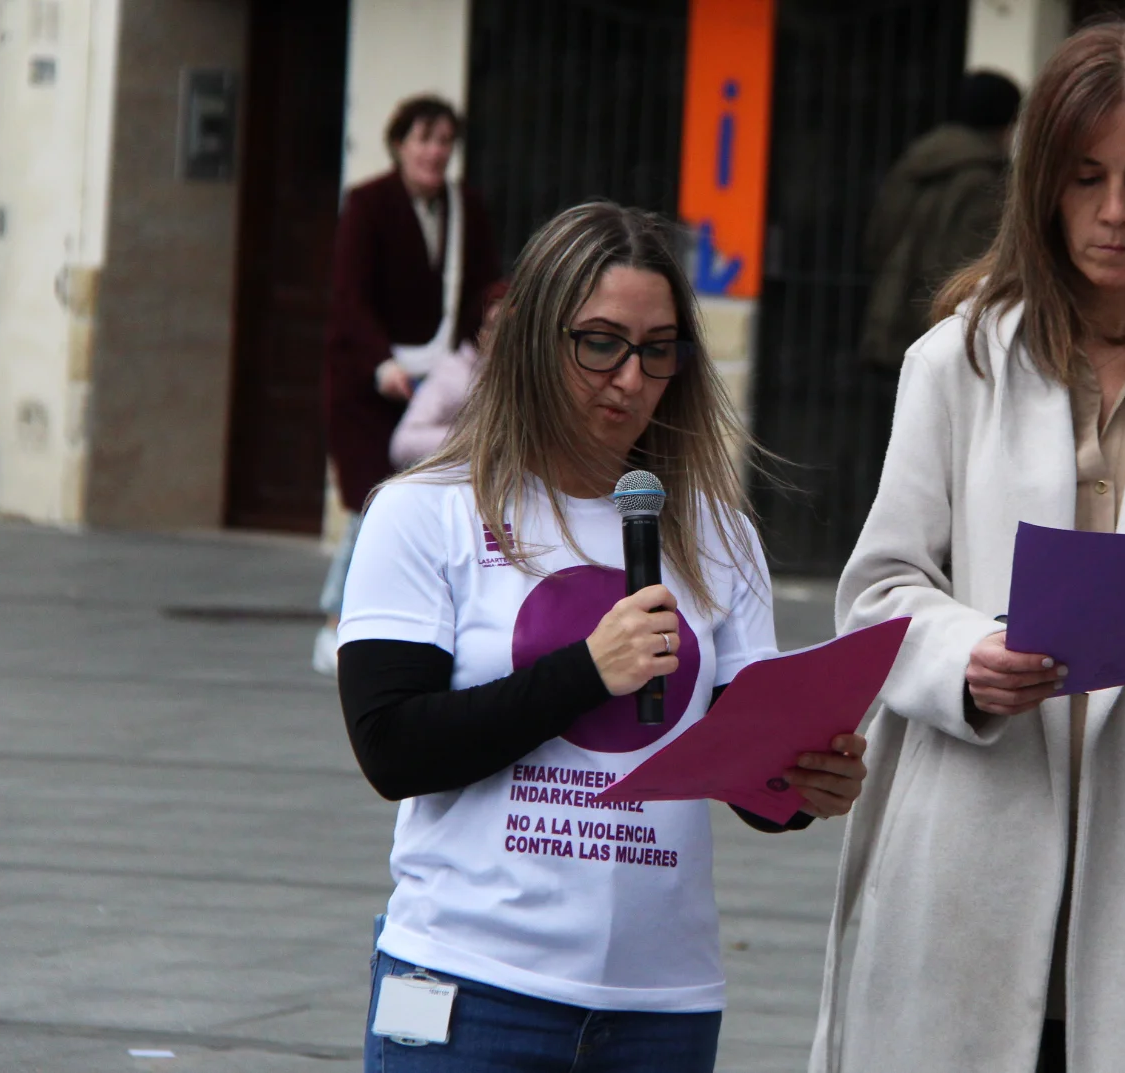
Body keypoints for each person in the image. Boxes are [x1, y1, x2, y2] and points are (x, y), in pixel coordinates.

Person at [813, 20, 1125, 1073]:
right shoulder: (955, 361)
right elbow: (878, 589)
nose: (1115, 211)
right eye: (1087, 177)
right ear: (1041, 180)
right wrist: (966, 657)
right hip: (970, 850)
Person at [336, 202, 869, 1072]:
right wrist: (586, 669)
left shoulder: (718, 533)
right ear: (533, 340)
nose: (630, 378)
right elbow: (392, 748)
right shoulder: (425, 512)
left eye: (658, 350)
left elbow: (747, 769)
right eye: (601, 343)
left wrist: (806, 784)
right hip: (470, 984)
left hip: (660, 1006)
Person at [316, 95, 502, 676]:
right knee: (370, 504)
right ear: (399, 145)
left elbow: (483, 290)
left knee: (438, 503)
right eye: (424, 138)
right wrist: (382, 364)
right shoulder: (368, 203)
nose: (435, 152)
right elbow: (350, 297)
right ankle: (335, 621)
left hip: (439, 383)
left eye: (444, 141)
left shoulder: (466, 207)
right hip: (371, 385)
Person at [858, 70, 1023, 373]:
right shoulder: (985, 180)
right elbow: (974, 267)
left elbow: (877, 240)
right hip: (938, 333)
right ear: (1007, 122)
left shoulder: (914, 164)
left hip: (890, 322)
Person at [388, 279, 508, 469]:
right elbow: (403, 443)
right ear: (479, 331)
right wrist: (476, 439)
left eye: (512, 329)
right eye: (494, 326)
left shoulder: (526, 375)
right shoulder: (454, 373)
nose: (505, 337)